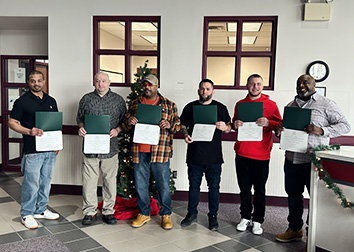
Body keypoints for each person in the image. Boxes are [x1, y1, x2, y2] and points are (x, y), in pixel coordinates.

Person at [275, 74, 351, 243]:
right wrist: (279, 131)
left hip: (313, 161)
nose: (302, 85)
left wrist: (322, 130)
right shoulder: (290, 106)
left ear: (314, 84)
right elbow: (287, 133)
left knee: (315, 200)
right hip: (292, 160)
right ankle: (295, 229)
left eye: (306, 82)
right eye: (299, 83)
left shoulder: (326, 104)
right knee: (293, 196)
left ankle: (312, 239)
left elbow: (345, 126)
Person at [124, 74, 180, 230]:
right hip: (139, 150)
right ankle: (144, 213)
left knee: (163, 184)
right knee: (141, 184)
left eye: (151, 85)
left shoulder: (169, 105)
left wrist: (169, 124)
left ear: (157, 86)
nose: (147, 87)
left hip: (160, 151)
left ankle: (166, 214)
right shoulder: (134, 104)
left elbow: (177, 126)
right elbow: (126, 125)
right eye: (145, 85)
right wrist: (130, 121)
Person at [8, 70, 60, 229]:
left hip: (50, 150)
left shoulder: (51, 100)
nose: (36, 83)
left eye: (39, 80)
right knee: (31, 183)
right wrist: (29, 131)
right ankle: (26, 213)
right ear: (28, 83)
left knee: (45, 182)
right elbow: (12, 122)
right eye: (33, 81)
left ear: (44, 81)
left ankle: (41, 210)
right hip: (32, 150)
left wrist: (56, 144)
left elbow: (55, 124)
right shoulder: (21, 101)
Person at [232, 74, 282, 235]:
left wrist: (269, 123)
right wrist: (235, 124)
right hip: (242, 153)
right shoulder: (240, 104)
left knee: (260, 190)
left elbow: (281, 126)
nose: (255, 87)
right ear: (247, 86)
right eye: (252, 84)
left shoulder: (271, 105)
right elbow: (234, 123)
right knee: (244, 189)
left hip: (261, 155)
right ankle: (245, 217)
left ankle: (258, 221)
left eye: (259, 84)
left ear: (263, 86)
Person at [179, 79, 231, 231]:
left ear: (213, 91)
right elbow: (182, 125)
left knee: (214, 187)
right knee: (193, 186)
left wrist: (225, 127)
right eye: (202, 89)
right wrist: (185, 134)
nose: (204, 92)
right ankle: (192, 213)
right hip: (194, 155)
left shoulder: (221, 108)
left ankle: (213, 216)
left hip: (214, 157)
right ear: (198, 90)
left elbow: (229, 127)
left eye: (208, 89)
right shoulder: (190, 107)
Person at [77, 72, 126, 225]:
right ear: (94, 82)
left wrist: (117, 130)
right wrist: (81, 128)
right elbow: (79, 119)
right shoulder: (86, 99)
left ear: (109, 82)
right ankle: (90, 211)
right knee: (89, 181)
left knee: (109, 181)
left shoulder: (118, 100)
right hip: (90, 147)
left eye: (103, 81)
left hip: (110, 148)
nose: (100, 84)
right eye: (97, 81)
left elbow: (125, 122)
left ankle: (108, 211)